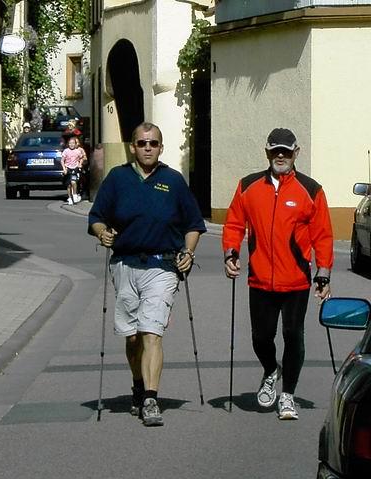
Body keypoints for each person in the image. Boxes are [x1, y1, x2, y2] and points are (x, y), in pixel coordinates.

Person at [88, 122, 206, 426]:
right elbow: (96, 218)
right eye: (142, 143)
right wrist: (102, 233)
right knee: (133, 338)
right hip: (125, 265)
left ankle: (151, 399)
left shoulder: (173, 180)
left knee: (152, 331)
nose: (148, 148)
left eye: (153, 143)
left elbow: (194, 224)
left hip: (162, 266)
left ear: (161, 148)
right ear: (133, 147)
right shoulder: (117, 178)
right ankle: (138, 386)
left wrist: (188, 253)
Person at [222, 127, 333, 421]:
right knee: (261, 337)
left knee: (293, 334)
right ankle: (272, 369)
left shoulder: (311, 190)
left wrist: (323, 273)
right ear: (267, 153)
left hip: (296, 280)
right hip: (260, 279)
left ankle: (288, 396)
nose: (280, 156)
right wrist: (230, 253)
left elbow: (323, 235)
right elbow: (234, 224)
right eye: (275, 151)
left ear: (296, 153)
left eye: (286, 151)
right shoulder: (248, 186)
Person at [61, 136, 86, 205]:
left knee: (73, 182)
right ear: (68, 144)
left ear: (75, 144)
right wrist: (64, 169)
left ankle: (74, 194)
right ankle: (69, 198)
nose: (71, 145)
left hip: (75, 168)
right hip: (68, 168)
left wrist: (80, 164)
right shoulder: (66, 151)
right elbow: (62, 160)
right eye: (70, 143)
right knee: (68, 185)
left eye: (73, 143)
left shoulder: (78, 151)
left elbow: (82, 158)